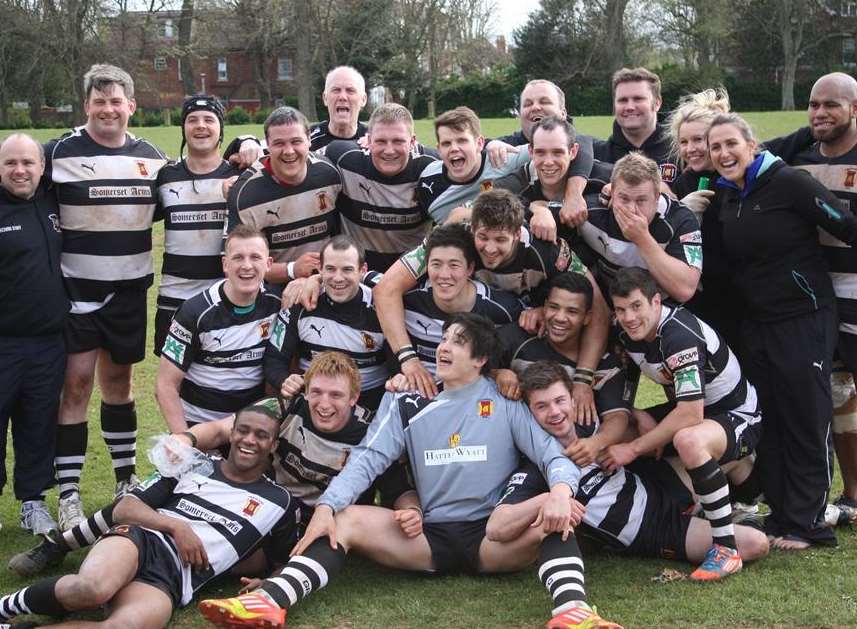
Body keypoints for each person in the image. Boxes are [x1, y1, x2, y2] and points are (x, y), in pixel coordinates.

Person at [198, 313, 621, 629]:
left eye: (457, 341)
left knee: (559, 512)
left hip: (495, 539)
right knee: (344, 520)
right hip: (426, 538)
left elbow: (554, 457)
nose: (443, 346)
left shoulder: (506, 401)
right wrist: (328, 505)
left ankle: (572, 611)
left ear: (480, 359)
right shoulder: (405, 401)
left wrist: (563, 491)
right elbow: (366, 459)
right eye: (443, 337)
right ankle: (270, 601)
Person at [8, 352, 412, 578]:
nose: (324, 403)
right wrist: (184, 440)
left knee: (229, 556)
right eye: (317, 392)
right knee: (173, 475)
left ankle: (146, 564)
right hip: (249, 495)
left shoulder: (370, 435)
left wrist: (409, 509)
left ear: (355, 398)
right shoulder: (288, 406)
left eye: (336, 396)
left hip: (299, 523)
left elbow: (396, 488)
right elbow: (224, 429)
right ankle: (61, 544)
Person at [0, 405, 300, 628]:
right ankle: (5, 607)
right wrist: (175, 525)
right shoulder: (195, 464)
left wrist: (270, 585)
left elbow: (282, 561)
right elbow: (124, 508)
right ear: (231, 433)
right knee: (92, 588)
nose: (249, 440)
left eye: (261, 436)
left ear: (273, 445)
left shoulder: (280, 502)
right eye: (243, 430)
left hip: (175, 579)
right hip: (141, 540)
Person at [707, 112, 857, 549]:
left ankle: (810, 522)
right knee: (769, 415)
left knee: (807, 414)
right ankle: (781, 512)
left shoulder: (788, 182)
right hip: (758, 324)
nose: (723, 153)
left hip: (804, 316)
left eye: (731, 144)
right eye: (716, 148)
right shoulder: (726, 196)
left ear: (752, 146)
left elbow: (845, 227)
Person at [488, 361, 769, 580]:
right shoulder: (539, 471)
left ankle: (753, 502)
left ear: (573, 399)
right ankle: (719, 513)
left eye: (559, 401)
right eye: (541, 406)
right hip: (655, 529)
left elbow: (620, 414)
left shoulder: (589, 421)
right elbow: (497, 528)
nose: (554, 412)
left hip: (657, 483)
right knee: (755, 544)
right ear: (530, 414)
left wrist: (637, 415)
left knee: (727, 454)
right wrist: (550, 499)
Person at [46, 64, 168, 530]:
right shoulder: (58, 152)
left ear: (130, 106)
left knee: (118, 385)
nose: (108, 110)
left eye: (116, 102)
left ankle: (124, 479)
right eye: (100, 102)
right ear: (87, 107)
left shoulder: (152, 158)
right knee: (75, 385)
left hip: (128, 290)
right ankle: (70, 493)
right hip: (76, 291)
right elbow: (17, 177)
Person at [374, 189, 610, 416]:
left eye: (500, 239)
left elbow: (597, 310)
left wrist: (582, 379)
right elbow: (386, 289)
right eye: (483, 237)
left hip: (517, 323)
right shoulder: (453, 236)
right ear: (473, 228)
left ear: (518, 233)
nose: (489, 248)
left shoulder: (547, 249)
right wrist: (408, 360)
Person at [606, 267, 762, 578]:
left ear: (656, 301)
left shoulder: (679, 335)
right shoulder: (626, 332)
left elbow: (691, 414)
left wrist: (634, 449)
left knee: (688, 439)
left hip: (737, 413)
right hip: (698, 410)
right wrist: (639, 414)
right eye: (621, 310)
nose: (629, 317)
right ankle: (732, 480)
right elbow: (628, 385)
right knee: (620, 426)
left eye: (636, 306)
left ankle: (726, 548)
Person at [782, 72, 857, 521]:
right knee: (838, 393)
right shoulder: (799, 156)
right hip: (818, 299)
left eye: (831, 104)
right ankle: (852, 494)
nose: (820, 113)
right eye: (813, 104)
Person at [0, 133, 67, 535]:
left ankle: (33, 501)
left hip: (48, 342)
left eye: (28, 162)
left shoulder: (53, 199)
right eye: (11, 163)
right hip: (2, 342)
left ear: (43, 167)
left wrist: (242, 149)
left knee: (38, 423)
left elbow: (82, 139)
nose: (20, 170)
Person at [154, 225, 281, 431]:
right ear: (225, 264)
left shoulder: (277, 304)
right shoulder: (194, 312)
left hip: (249, 429)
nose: (247, 266)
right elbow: (165, 385)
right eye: (238, 257)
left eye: (255, 257)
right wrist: (183, 441)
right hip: (199, 427)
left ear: (268, 264)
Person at [495, 272, 629, 465]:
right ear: (544, 306)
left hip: (571, 457)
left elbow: (617, 416)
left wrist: (595, 443)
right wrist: (498, 372)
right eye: (553, 307)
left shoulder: (606, 362)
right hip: (514, 450)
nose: (560, 317)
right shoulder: (520, 338)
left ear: (587, 317)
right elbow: (474, 359)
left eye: (572, 311)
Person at [153, 94, 240, 355]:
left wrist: (248, 141)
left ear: (220, 130)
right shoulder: (165, 176)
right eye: (192, 120)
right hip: (174, 298)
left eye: (208, 119)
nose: (200, 125)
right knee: (172, 379)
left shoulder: (239, 177)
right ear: (183, 129)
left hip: (223, 297)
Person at [263, 236, 390, 410]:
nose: (338, 278)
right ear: (320, 269)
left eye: (347, 270)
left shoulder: (383, 305)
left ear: (362, 270)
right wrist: (285, 381)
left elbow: (396, 367)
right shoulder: (301, 302)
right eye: (330, 269)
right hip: (312, 405)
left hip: (368, 408)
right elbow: (274, 358)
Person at [665, 88, 744, 352]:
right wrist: (681, 216)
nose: (691, 149)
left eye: (698, 140)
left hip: (741, 300)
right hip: (699, 300)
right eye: (684, 142)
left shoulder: (738, 179)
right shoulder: (682, 183)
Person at [227, 106, 341, 288]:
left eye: (296, 141)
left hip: (326, 286)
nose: (288, 151)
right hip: (271, 294)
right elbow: (237, 266)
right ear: (268, 146)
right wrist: (292, 269)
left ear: (309, 140)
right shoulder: (245, 194)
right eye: (279, 143)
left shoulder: (329, 175)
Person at [396, 223, 524, 378]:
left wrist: (501, 374)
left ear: (470, 269)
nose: (444, 275)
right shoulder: (405, 299)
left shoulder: (503, 309)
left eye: (454, 265)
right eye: (436, 264)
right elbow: (375, 288)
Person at [323, 103, 438, 271]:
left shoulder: (432, 166)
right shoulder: (344, 158)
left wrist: (489, 145)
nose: (389, 150)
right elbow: (300, 149)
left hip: (413, 274)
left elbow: (468, 156)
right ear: (368, 140)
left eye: (398, 141)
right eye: (381, 141)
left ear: (413, 141)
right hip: (357, 275)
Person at [577, 152, 702, 304]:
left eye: (641, 200)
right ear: (612, 193)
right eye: (624, 198)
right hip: (606, 303)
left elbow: (685, 290)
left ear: (657, 197)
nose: (631, 209)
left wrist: (642, 239)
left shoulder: (681, 219)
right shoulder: (589, 212)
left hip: (659, 308)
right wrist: (541, 209)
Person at [485, 80, 597, 238]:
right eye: (527, 103)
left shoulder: (583, 148)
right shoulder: (507, 147)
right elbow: (486, 189)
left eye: (544, 101)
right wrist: (489, 144)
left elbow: (584, 143)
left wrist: (574, 195)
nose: (535, 107)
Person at [416, 107, 532, 224]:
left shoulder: (503, 159)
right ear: (439, 149)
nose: (454, 148)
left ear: (479, 143)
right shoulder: (428, 181)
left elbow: (545, 148)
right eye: (446, 143)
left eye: (462, 141)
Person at [593, 67, 678, 184]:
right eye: (622, 100)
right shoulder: (596, 155)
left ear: (657, 103)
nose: (630, 107)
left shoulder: (680, 152)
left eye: (638, 99)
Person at [309, 66, 368, 152]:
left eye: (350, 90)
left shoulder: (375, 141)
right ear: (325, 98)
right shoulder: (306, 140)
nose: (342, 97)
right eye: (336, 90)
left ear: (363, 99)